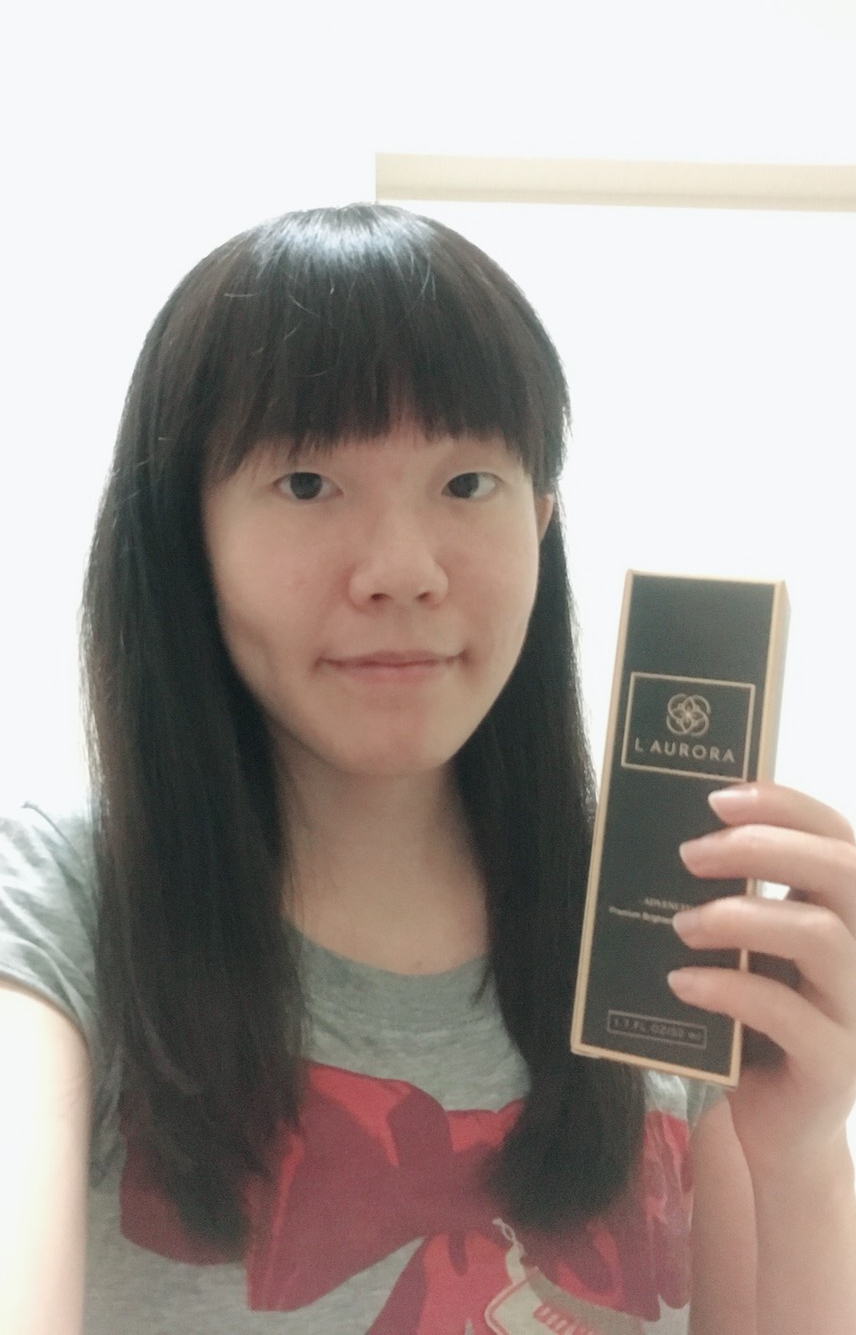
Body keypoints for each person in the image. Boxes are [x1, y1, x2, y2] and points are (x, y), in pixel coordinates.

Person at [0, 203, 854, 1335]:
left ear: (540, 521)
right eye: (307, 483)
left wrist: (803, 1149)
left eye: (466, 485)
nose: (401, 571)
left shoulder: (654, 929)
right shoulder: (58, 907)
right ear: (185, 534)